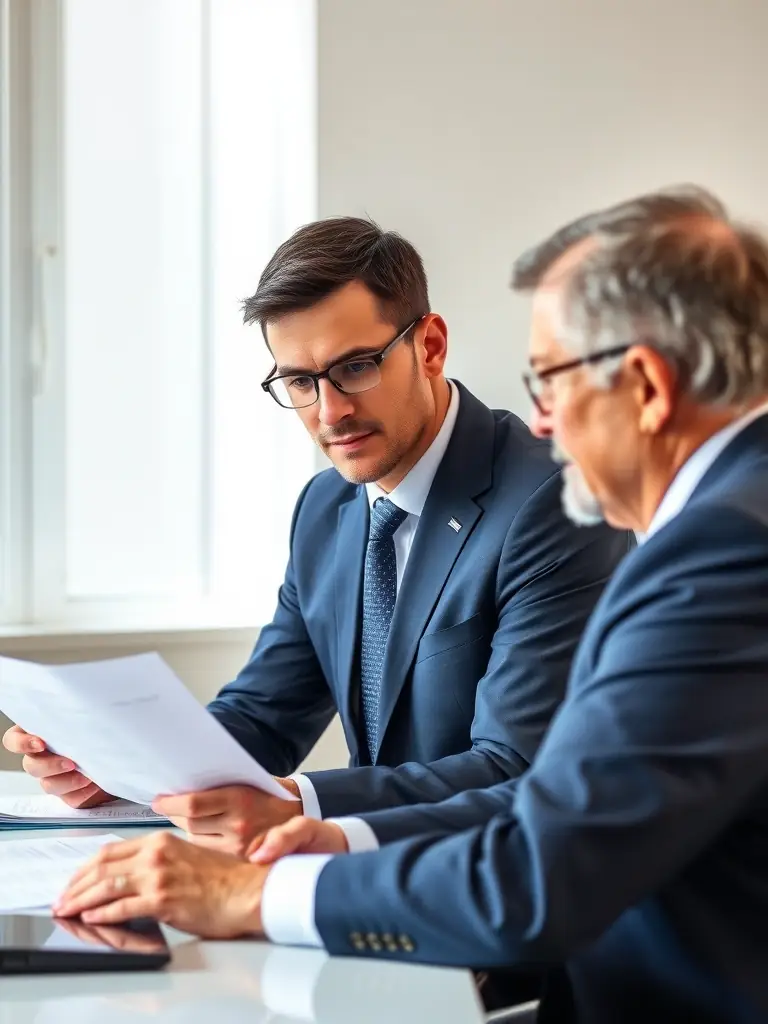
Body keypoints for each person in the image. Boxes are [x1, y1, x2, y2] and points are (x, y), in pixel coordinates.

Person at [54, 186, 768, 1023]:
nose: (542, 422)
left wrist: (262, 893)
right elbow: (561, 803)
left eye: (550, 381)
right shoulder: (725, 526)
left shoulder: (719, 551)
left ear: (644, 385)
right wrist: (327, 833)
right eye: (298, 382)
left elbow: (537, 856)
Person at [3, 217, 629, 854]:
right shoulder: (326, 506)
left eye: (355, 367)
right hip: (371, 881)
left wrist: (294, 801)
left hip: (498, 891)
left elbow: (515, 766)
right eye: (300, 382)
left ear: (431, 346)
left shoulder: (555, 502)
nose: (330, 413)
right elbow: (262, 715)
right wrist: (121, 768)